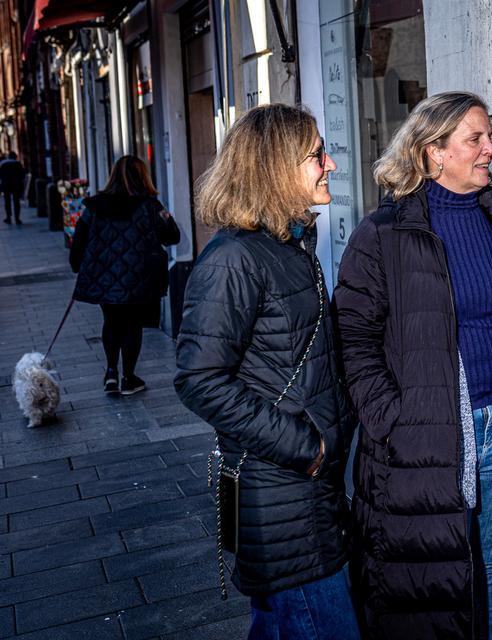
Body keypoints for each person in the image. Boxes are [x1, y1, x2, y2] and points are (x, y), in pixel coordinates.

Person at [334, 92, 492, 639]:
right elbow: (353, 341)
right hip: (429, 437)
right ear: (434, 152)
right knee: (436, 579)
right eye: (475, 139)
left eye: (489, 136)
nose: (490, 150)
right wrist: (392, 419)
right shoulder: (382, 236)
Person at [174, 104, 359, 640]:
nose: (330, 164)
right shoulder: (234, 258)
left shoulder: (289, 245)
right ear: (276, 168)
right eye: (316, 154)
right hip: (282, 493)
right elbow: (198, 379)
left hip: (308, 491)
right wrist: (307, 447)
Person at [70, 156, 179, 395]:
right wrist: (166, 217)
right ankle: (129, 378)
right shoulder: (150, 206)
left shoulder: (94, 206)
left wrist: (77, 266)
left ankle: (111, 373)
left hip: (103, 277)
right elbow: (172, 236)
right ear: (143, 177)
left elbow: (79, 239)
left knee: (111, 321)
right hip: (137, 278)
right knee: (132, 325)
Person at [0, 151, 26, 224]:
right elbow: (23, 175)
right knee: (16, 202)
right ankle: (17, 218)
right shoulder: (18, 164)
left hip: (6, 185)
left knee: (7, 201)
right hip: (16, 185)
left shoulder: (2, 164)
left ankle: (8, 217)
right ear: (15, 157)